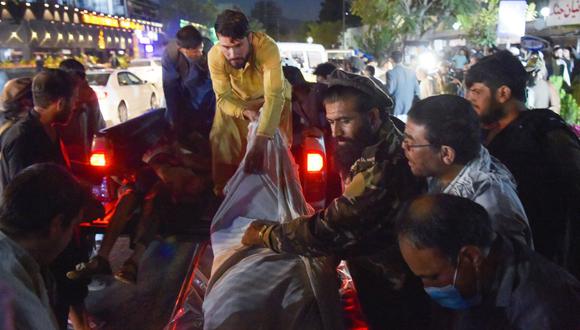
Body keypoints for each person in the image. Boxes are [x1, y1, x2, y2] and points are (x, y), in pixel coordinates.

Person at [242, 69, 431, 330]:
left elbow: (328, 228)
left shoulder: (381, 167)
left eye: (344, 120)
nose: (336, 131)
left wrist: (265, 234)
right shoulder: (383, 135)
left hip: (392, 282)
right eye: (331, 122)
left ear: (373, 116)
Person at [465, 50, 580, 278]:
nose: (470, 98)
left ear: (503, 93)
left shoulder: (547, 134)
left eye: (477, 91)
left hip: (542, 263)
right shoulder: (479, 134)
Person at [396, 194, 580, 329]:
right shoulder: (478, 278)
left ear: (471, 257)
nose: (428, 288)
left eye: (433, 277)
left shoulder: (546, 311)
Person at [0, 69, 91, 330]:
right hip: (40, 237)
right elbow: (25, 195)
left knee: (66, 295)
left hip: (53, 236)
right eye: (74, 100)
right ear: (60, 102)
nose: (76, 106)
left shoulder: (50, 130)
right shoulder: (21, 138)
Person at [403, 95, 532, 247]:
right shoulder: (443, 172)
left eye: (410, 143)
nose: (404, 147)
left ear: (446, 154)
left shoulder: (489, 205)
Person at [208, 9, 292, 195]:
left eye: (237, 46)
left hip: (271, 100)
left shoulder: (267, 48)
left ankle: (277, 196)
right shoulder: (215, 56)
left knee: (275, 153)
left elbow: (274, 96)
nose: (231, 54)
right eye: (226, 47)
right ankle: (224, 196)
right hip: (238, 104)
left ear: (250, 37)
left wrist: (260, 140)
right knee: (222, 139)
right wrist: (245, 112)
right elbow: (222, 97)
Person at [0, 164, 92, 330]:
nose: (71, 236)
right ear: (56, 225)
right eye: (73, 227)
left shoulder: (22, 262)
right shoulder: (17, 297)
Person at [162, 25, 216, 141]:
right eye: (195, 52)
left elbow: (218, 81)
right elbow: (170, 89)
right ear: (182, 50)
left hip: (208, 91)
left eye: (200, 49)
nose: (200, 54)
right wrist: (174, 121)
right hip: (186, 93)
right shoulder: (170, 55)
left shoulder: (209, 48)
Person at [58, 59, 106, 163]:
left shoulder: (88, 97)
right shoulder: (62, 98)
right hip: (70, 160)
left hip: (79, 160)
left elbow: (98, 128)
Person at [387, 50, 420, 117]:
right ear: (402, 59)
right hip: (410, 110)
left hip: (397, 110)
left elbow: (389, 91)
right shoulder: (411, 71)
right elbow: (417, 91)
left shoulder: (391, 73)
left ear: (390, 60)